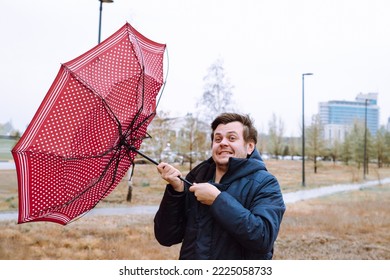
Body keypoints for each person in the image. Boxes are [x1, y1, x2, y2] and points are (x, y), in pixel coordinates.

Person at [154, 112, 285, 260]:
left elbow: (263, 238)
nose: (223, 142)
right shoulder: (196, 178)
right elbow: (165, 237)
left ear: (249, 147)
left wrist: (217, 200)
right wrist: (177, 191)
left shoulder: (265, 184)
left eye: (232, 138)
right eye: (218, 139)